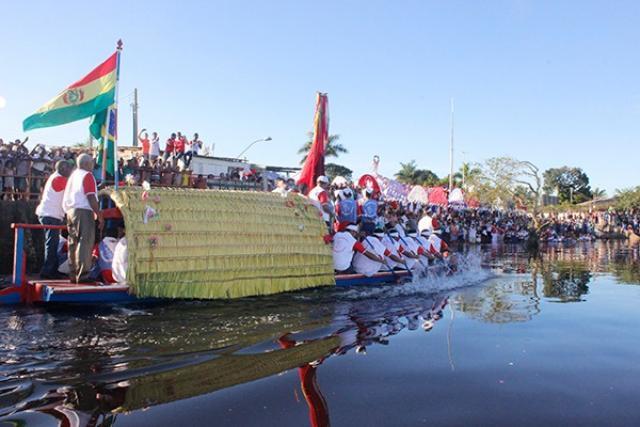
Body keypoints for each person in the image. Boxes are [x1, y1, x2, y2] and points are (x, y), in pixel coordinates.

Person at [62, 154, 103, 283]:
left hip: (70, 211)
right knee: (85, 242)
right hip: (83, 211)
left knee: (73, 242)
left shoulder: (73, 176)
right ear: (85, 164)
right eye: (91, 162)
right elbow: (91, 197)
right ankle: (83, 275)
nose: (92, 165)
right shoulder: (87, 175)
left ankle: (73, 274)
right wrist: (99, 214)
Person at [35, 160, 73, 278]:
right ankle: (47, 271)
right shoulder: (59, 179)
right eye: (69, 168)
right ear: (62, 168)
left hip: (51, 214)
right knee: (51, 244)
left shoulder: (56, 178)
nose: (70, 171)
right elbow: (74, 188)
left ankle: (52, 269)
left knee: (53, 243)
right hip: (50, 215)